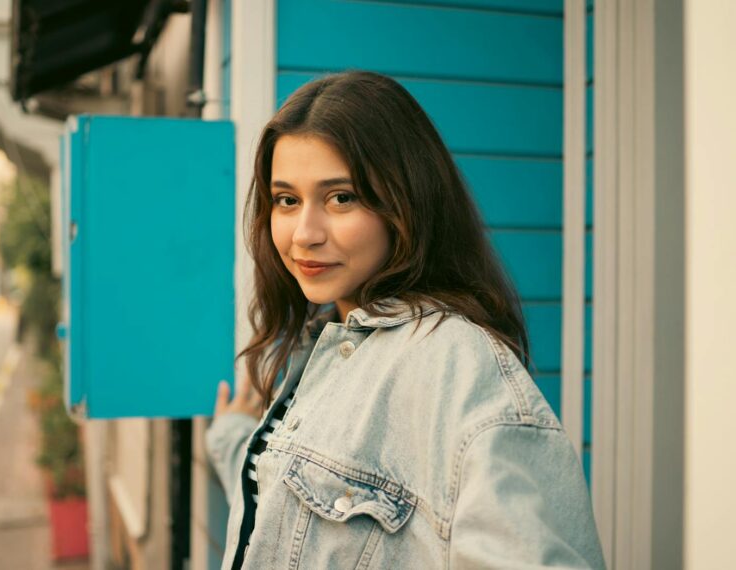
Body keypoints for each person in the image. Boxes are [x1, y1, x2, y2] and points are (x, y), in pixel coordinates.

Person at [205, 71, 605, 569]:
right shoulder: (329, 345)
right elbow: (294, 502)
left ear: (406, 203)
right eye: (287, 200)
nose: (304, 233)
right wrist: (229, 439)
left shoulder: (458, 369)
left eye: (341, 197)